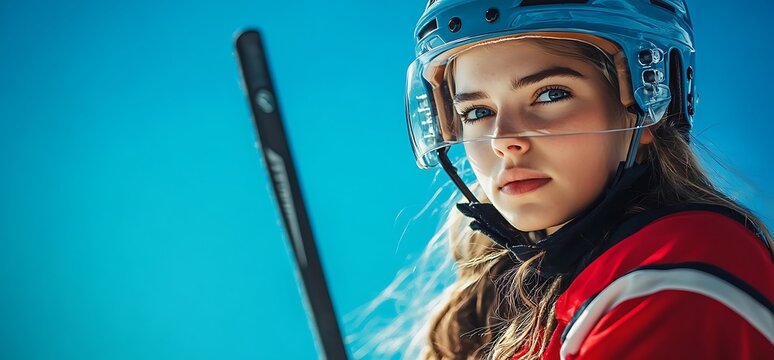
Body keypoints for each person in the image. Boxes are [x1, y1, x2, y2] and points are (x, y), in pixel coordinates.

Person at [395, 0, 774, 359]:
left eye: (550, 94)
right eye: (476, 112)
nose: (502, 140)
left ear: (649, 106)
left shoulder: (678, 267)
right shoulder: (527, 289)